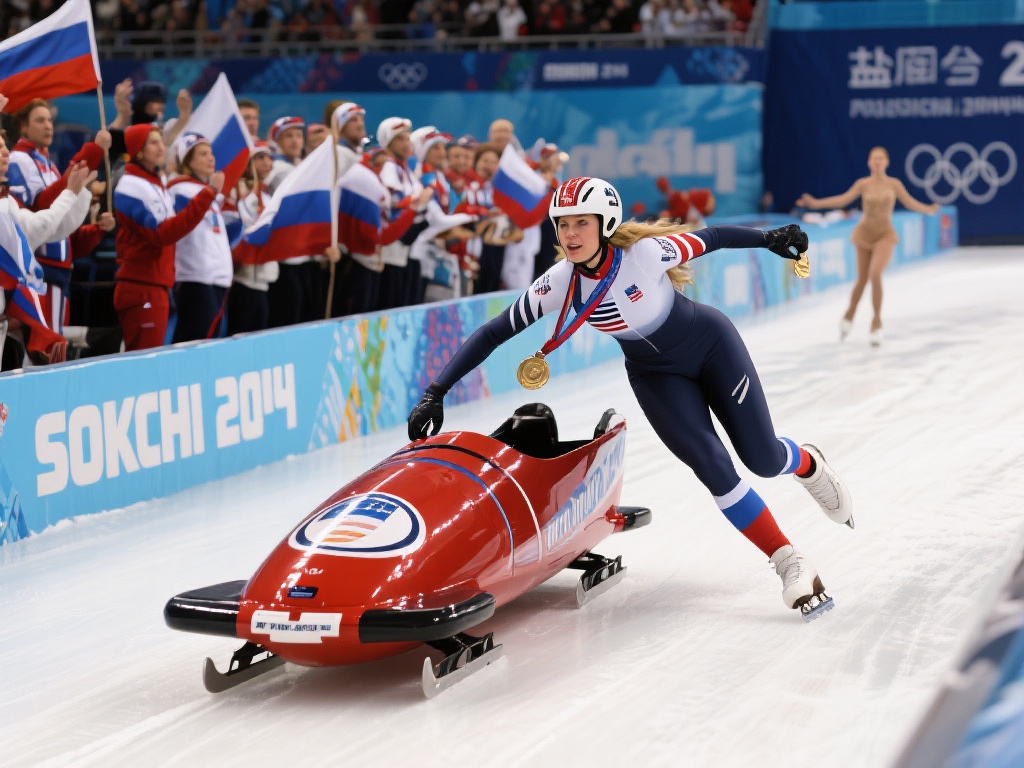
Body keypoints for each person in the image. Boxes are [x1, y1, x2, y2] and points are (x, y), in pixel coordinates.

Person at [408, 177, 854, 620]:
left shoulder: (642, 254)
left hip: (712, 346)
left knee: (763, 458)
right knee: (712, 464)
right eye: (562, 225)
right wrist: (436, 392)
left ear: (605, 224)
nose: (570, 235)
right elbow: (493, 332)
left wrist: (769, 240)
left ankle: (806, 462)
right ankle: (787, 559)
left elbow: (712, 236)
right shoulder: (559, 283)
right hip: (656, 376)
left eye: (581, 223)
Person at [797, 146, 939, 346]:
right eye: (874, 158)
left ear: (887, 162)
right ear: (869, 162)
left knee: (875, 274)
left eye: (881, 158)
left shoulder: (894, 184)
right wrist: (815, 204)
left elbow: (909, 202)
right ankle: (850, 313)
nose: (878, 162)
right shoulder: (863, 184)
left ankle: (876, 322)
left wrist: (928, 209)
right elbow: (842, 199)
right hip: (864, 234)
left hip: (885, 235)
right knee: (862, 280)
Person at [112, 124, 224, 351]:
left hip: (156, 284)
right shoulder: (131, 185)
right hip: (141, 286)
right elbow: (162, 234)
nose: (161, 147)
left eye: (161, 141)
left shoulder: (155, 184)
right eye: (153, 142)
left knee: (152, 360)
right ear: (138, 150)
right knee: (143, 363)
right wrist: (208, 194)